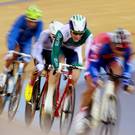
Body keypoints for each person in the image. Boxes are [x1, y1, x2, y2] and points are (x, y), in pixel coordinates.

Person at [75, 28, 135, 134]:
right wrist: (95, 78)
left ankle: (110, 98)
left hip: (110, 59)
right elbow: (92, 65)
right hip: (95, 59)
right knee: (92, 85)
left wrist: (126, 84)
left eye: (122, 50)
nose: (121, 52)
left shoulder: (126, 49)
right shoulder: (102, 44)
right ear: (112, 44)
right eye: (118, 49)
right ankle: (82, 114)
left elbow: (126, 69)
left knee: (118, 73)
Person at [45, 14, 93, 114]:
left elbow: (89, 56)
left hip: (74, 52)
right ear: (70, 29)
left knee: (75, 76)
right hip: (61, 49)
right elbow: (55, 51)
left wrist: (88, 71)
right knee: (58, 66)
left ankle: (67, 97)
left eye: (80, 33)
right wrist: (56, 65)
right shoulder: (62, 32)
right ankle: (49, 96)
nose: (78, 36)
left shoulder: (88, 35)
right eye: (75, 33)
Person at [0, 5, 43, 91]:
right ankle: (3, 74)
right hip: (15, 39)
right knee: (14, 53)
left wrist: (36, 53)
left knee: (26, 58)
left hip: (26, 42)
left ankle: (19, 74)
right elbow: (13, 34)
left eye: (34, 22)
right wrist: (11, 50)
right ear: (26, 18)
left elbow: (37, 40)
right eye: (30, 21)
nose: (32, 23)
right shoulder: (21, 20)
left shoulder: (39, 24)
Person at [24, 21, 64, 102]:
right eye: (54, 36)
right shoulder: (44, 34)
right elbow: (36, 50)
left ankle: (53, 92)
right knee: (38, 69)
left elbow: (63, 53)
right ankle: (31, 84)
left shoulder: (63, 37)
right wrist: (40, 63)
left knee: (55, 72)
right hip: (41, 51)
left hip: (52, 53)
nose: (56, 39)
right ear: (50, 33)